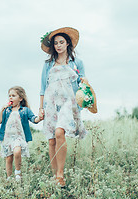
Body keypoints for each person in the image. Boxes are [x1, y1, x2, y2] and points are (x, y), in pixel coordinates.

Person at [38, 27, 87, 187]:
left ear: (67, 44)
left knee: (60, 132)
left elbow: (82, 82)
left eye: (61, 42)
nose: (59, 45)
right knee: (51, 140)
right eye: (56, 43)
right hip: (51, 103)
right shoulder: (48, 64)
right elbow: (43, 88)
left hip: (68, 103)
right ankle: (55, 175)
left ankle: (60, 174)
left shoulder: (76, 63)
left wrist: (84, 83)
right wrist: (41, 108)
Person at [0, 86, 42, 181]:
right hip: (7, 137)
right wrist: (2, 109)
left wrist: (39, 118)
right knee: (8, 159)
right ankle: (9, 178)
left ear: (20, 98)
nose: (10, 98)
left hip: (19, 137)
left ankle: (18, 173)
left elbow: (34, 119)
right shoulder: (6, 110)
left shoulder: (25, 110)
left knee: (17, 151)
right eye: (9, 96)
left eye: (13, 96)